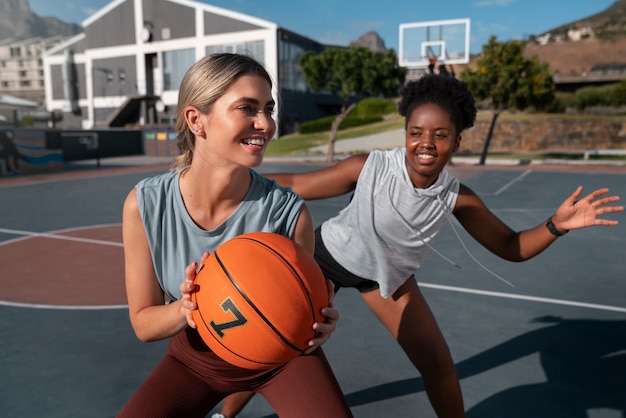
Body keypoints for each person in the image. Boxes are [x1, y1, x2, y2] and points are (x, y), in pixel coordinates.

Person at [213, 73, 623, 418]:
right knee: (276, 342)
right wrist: (232, 176)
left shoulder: (458, 197)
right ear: (405, 134)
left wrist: (556, 225)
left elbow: (512, 246)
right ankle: (223, 414)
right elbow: (298, 185)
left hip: (385, 278)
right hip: (326, 257)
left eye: (440, 135)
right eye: (416, 132)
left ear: (457, 142)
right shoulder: (368, 167)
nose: (425, 142)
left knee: (438, 365)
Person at [118, 53, 352, 418]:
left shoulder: (288, 213)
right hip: (195, 360)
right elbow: (143, 324)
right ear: (197, 120)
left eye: (268, 109)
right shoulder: (145, 204)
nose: (265, 123)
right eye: (247, 108)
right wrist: (188, 307)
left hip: (283, 359)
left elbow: (306, 314)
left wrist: (317, 323)